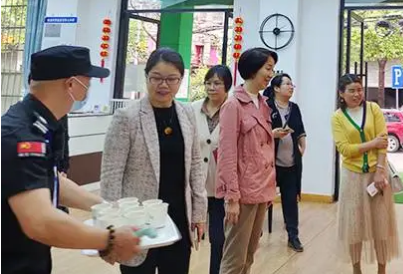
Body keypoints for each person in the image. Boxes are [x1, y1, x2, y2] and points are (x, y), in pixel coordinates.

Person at [1, 45, 140, 274]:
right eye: (88, 81)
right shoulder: (22, 136)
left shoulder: (37, 122)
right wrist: (109, 240)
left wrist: (105, 207)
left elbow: (48, 180)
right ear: (72, 84)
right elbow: (40, 222)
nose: (89, 87)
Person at [101, 47, 207, 274]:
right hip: (138, 219)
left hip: (178, 215)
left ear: (181, 80)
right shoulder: (127, 117)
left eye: (171, 79)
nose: (163, 85)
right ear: (146, 76)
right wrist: (111, 227)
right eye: (156, 78)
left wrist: (199, 213)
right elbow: (111, 175)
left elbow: (196, 165)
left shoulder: (187, 113)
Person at [216, 47, 282, 274]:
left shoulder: (263, 103)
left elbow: (261, 148)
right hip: (242, 192)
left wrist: (269, 190)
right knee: (234, 260)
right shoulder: (233, 105)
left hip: (261, 189)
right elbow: (227, 154)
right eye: (268, 68)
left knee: (249, 256)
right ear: (253, 70)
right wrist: (232, 197)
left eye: (272, 69)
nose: (271, 74)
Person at [331, 74, 400, 274]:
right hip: (351, 177)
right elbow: (345, 149)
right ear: (341, 94)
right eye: (351, 90)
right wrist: (372, 143)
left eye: (359, 90)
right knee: (354, 226)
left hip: (377, 175)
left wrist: (380, 170)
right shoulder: (337, 117)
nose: (357, 94)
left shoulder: (373, 109)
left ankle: (381, 270)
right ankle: (356, 270)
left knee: (381, 225)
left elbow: (383, 141)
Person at [191, 65, 233, 274]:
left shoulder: (233, 111)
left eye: (217, 83)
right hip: (194, 187)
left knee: (218, 239)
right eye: (208, 83)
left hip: (220, 188)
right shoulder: (192, 109)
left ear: (227, 86)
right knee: (186, 237)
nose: (211, 87)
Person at [264, 73, 307, 252]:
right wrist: (273, 134)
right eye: (287, 84)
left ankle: (293, 236)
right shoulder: (266, 106)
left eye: (291, 84)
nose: (291, 87)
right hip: (269, 164)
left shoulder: (294, 108)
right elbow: (260, 132)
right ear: (276, 88)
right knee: (262, 199)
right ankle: (254, 233)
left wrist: (302, 147)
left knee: (290, 201)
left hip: (291, 164)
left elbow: (301, 130)